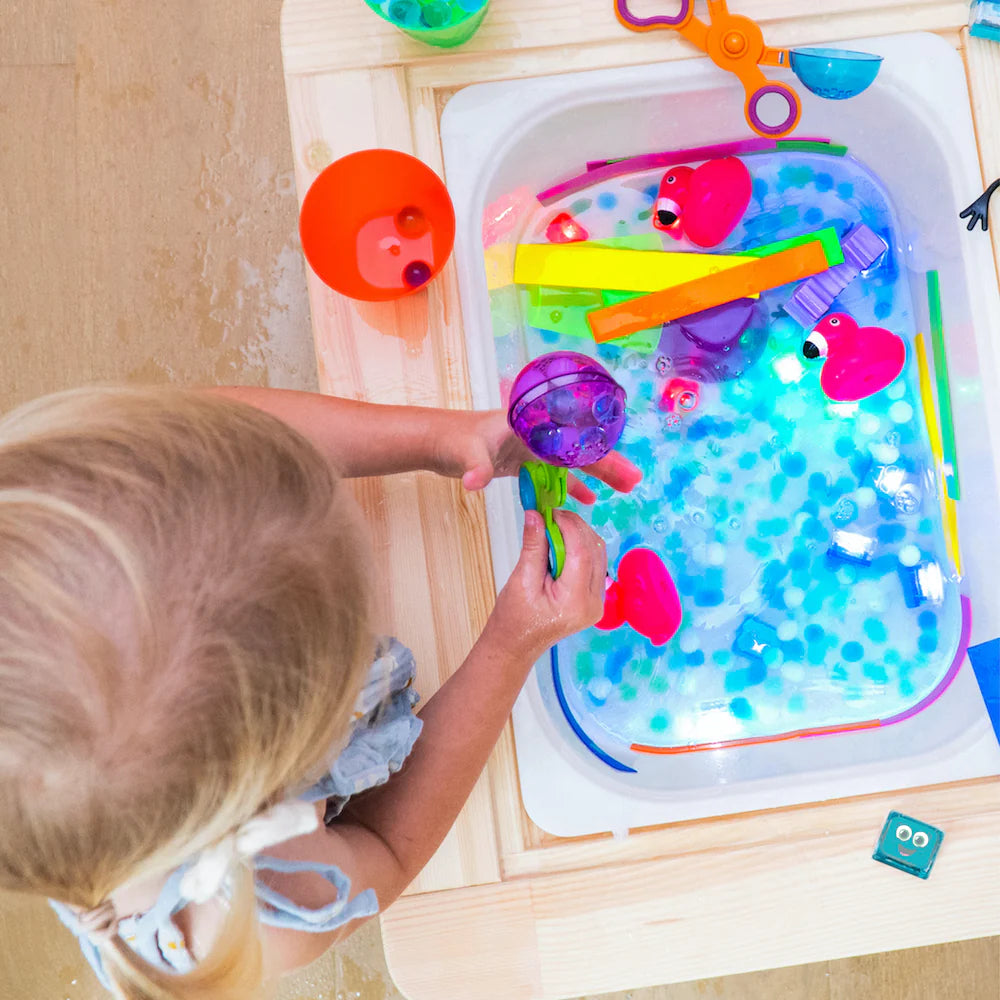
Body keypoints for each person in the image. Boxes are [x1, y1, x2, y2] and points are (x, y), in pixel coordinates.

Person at [0, 385, 639, 999]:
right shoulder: (272, 903)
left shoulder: (88, 495)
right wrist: (511, 645)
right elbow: (385, 848)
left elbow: (228, 425)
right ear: (297, 758)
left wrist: (441, 437)